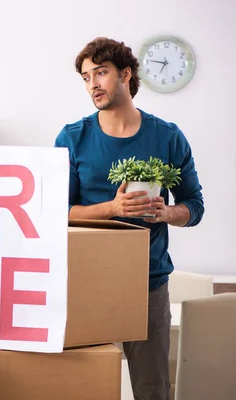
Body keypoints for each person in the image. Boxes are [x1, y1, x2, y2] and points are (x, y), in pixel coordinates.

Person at [54, 37, 204, 400]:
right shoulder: (72, 138)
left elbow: (194, 205)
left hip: (148, 285)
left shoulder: (167, 137)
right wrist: (113, 209)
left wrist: (167, 213)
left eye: (100, 73)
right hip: (85, 282)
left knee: (152, 390)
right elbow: (54, 212)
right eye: (86, 77)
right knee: (83, 387)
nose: (92, 84)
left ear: (126, 74)